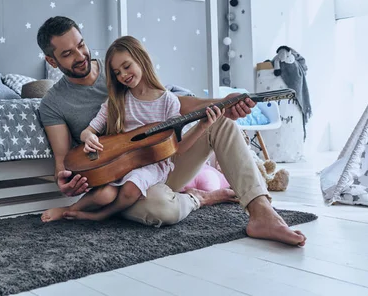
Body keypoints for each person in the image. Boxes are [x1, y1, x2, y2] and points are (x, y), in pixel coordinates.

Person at [37, 16, 306, 246]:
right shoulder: (53, 103)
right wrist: (65, 180)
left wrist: (223, 103)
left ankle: (262, 213)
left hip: (162, 163)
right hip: (120, 182)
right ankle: (199, 197)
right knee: (160, 209)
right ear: (51, 60)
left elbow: (174, 103)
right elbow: (62, 160)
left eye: (80, 45)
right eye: (67, 53)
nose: (80, 55)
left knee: (221, 121)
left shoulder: (118, 67)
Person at [41, 36, 233, 222]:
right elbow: (89, 130)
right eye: (117, 72)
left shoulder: (168, 101)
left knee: (131, 189)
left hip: (153, 165)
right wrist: (88, 136)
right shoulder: (117, 101)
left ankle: (101, 216)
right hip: (121, 164)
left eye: (126, 66)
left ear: (141, 59)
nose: (123, 75)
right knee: (104, 195)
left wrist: (202, 126)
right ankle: (70, 210)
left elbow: (178, 148)